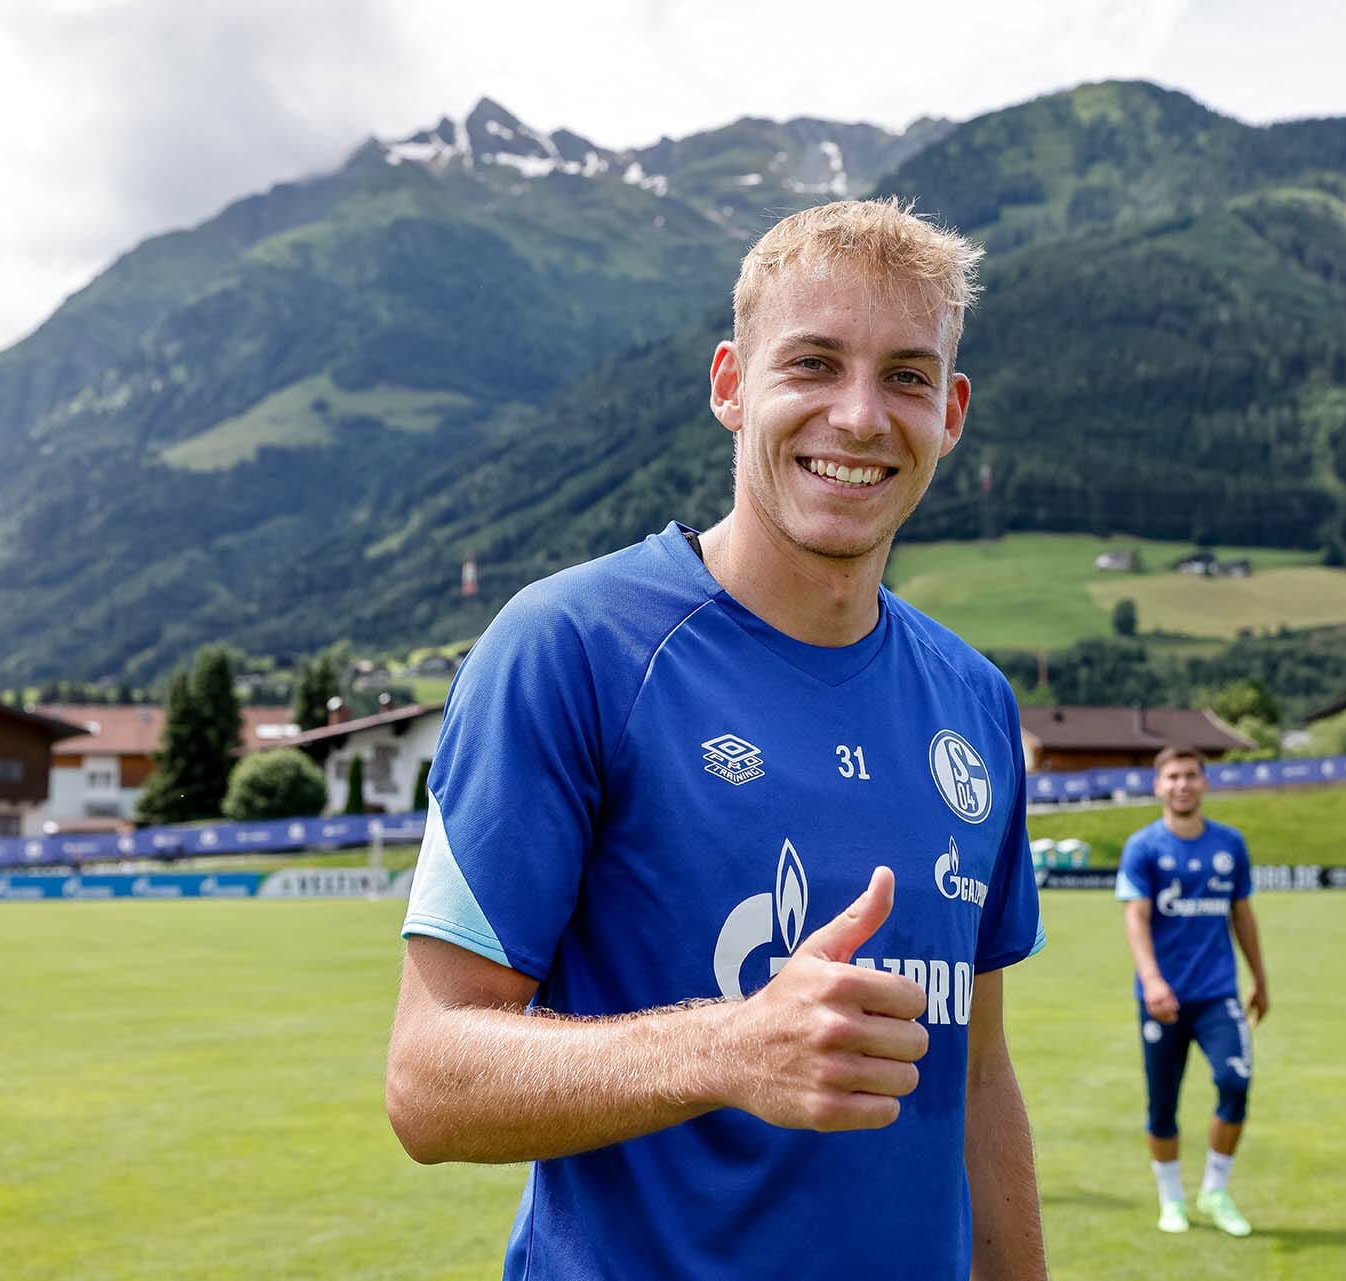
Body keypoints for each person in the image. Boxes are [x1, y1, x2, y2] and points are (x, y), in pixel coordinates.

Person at [385, 199, 1048, 1281]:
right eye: (815, 365)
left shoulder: (973, 701)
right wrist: (729, 1047)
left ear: (953, 411)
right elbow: (427, 1081)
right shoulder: (570, 648)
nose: (861, 416)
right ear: (732, 385)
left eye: (908, 377)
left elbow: (976, 1084)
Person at [1117, 746, 1269, 1238]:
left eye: (1191, 776)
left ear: (1204, 784)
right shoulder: (1143, 847)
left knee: (1236, 1082)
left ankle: (1215, 1189)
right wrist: (1153, 980)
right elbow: (1135, 919)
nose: (1182, 785)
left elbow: (1242, 915)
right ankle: (1172, 1199)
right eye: (1173, 777)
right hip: (1162, 1000)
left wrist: (1260, 977)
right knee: (1163, 1103)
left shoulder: (1232, 844)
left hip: (1216, 994)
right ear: (1159, 786)